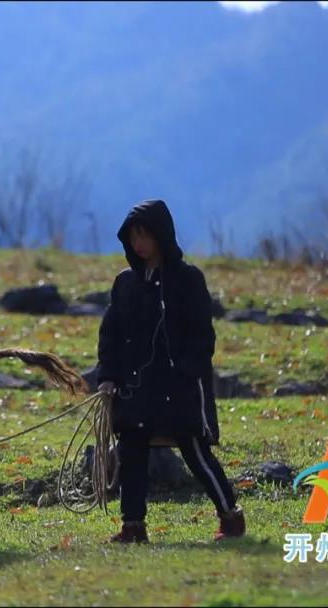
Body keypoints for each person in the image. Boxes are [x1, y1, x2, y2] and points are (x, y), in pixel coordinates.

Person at [95, 199, 244, 543]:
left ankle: (230, 517)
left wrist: (186, 370)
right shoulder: (125, 284)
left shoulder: (188, 280)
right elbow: (111, 334)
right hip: (135, 388)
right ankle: (133, 526)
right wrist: (107, 377)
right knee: (131, 450)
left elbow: (202, 335)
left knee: (195, 451)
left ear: (161, 235)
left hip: (178, 386)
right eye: (134, 236)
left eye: (145, 235)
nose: (139, 244)